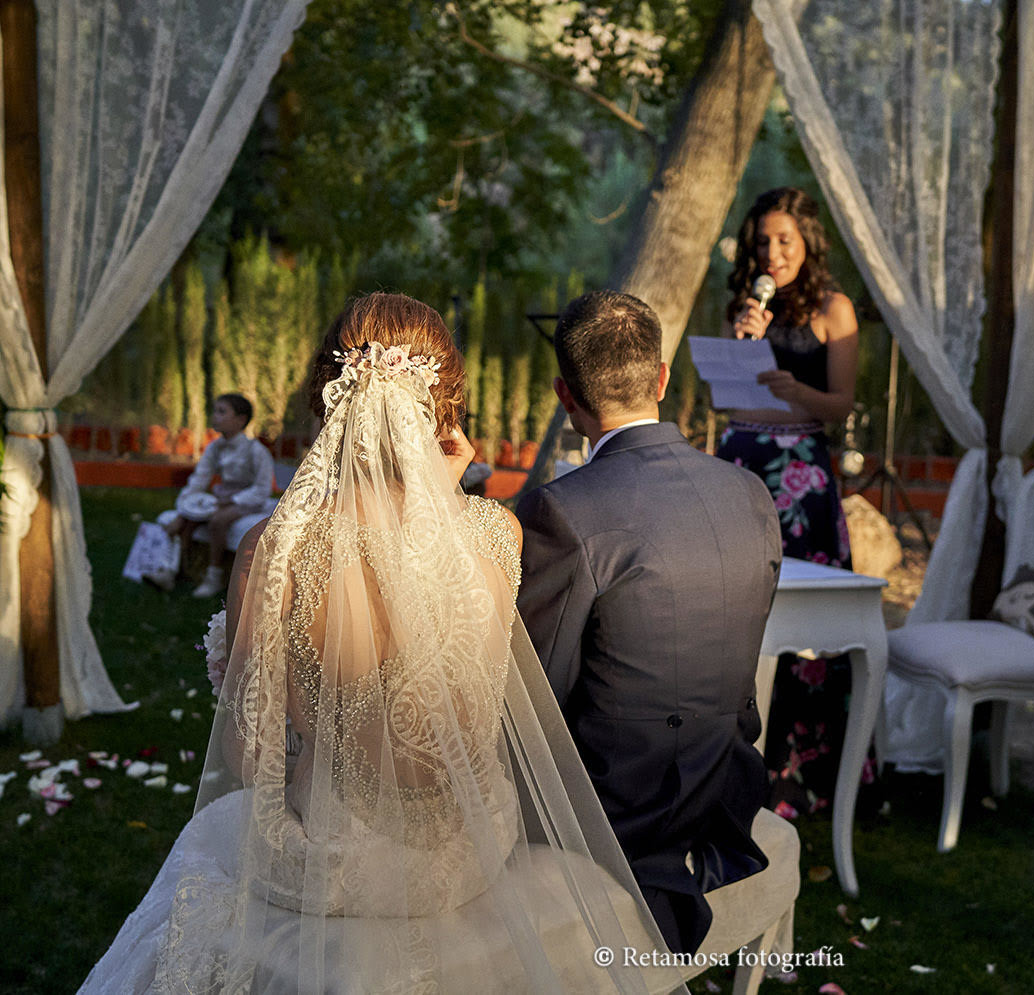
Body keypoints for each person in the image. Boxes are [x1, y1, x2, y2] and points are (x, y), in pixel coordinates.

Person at [80, 293, 672, 993]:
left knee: (210, 845)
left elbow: (248, 753)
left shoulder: (271, 551)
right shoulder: (495, 533)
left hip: (330, 863)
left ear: (329, 398)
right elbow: (436, 626)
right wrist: (444, 495)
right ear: (441, 405)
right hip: (466, 850)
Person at [516, 289, 782, 955]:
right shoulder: (750, 493)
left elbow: (533, 691)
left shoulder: (562, 510)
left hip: (617, 812)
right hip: (723, 786)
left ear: (563, 394)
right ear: (662, 378)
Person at [716, 186, 861, 817]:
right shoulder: (746, 309)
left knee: (804, 626)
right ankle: (732, 765)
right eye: (764, 241)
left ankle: (801, 776)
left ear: (807, 244)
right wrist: (744, 346)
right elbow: (727, 397)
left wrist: (795, 387)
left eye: (785, 241)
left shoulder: (835, 309)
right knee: (737, 609)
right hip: (741, 465)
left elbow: (840, 405)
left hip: (801, 476)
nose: (772, 253)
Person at [146, 393, 274, 598]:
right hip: (223, 498)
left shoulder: (256, 451)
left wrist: (232, 500)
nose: (215, 417)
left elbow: (262, 489)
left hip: (249, 501)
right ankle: (170, 569)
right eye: (215, 411)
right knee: (185, 519)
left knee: (218, 520)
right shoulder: (215, 447)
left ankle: (214, 575)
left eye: (222, 412)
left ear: (241, 420)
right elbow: (200, 477)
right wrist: (185, 503)